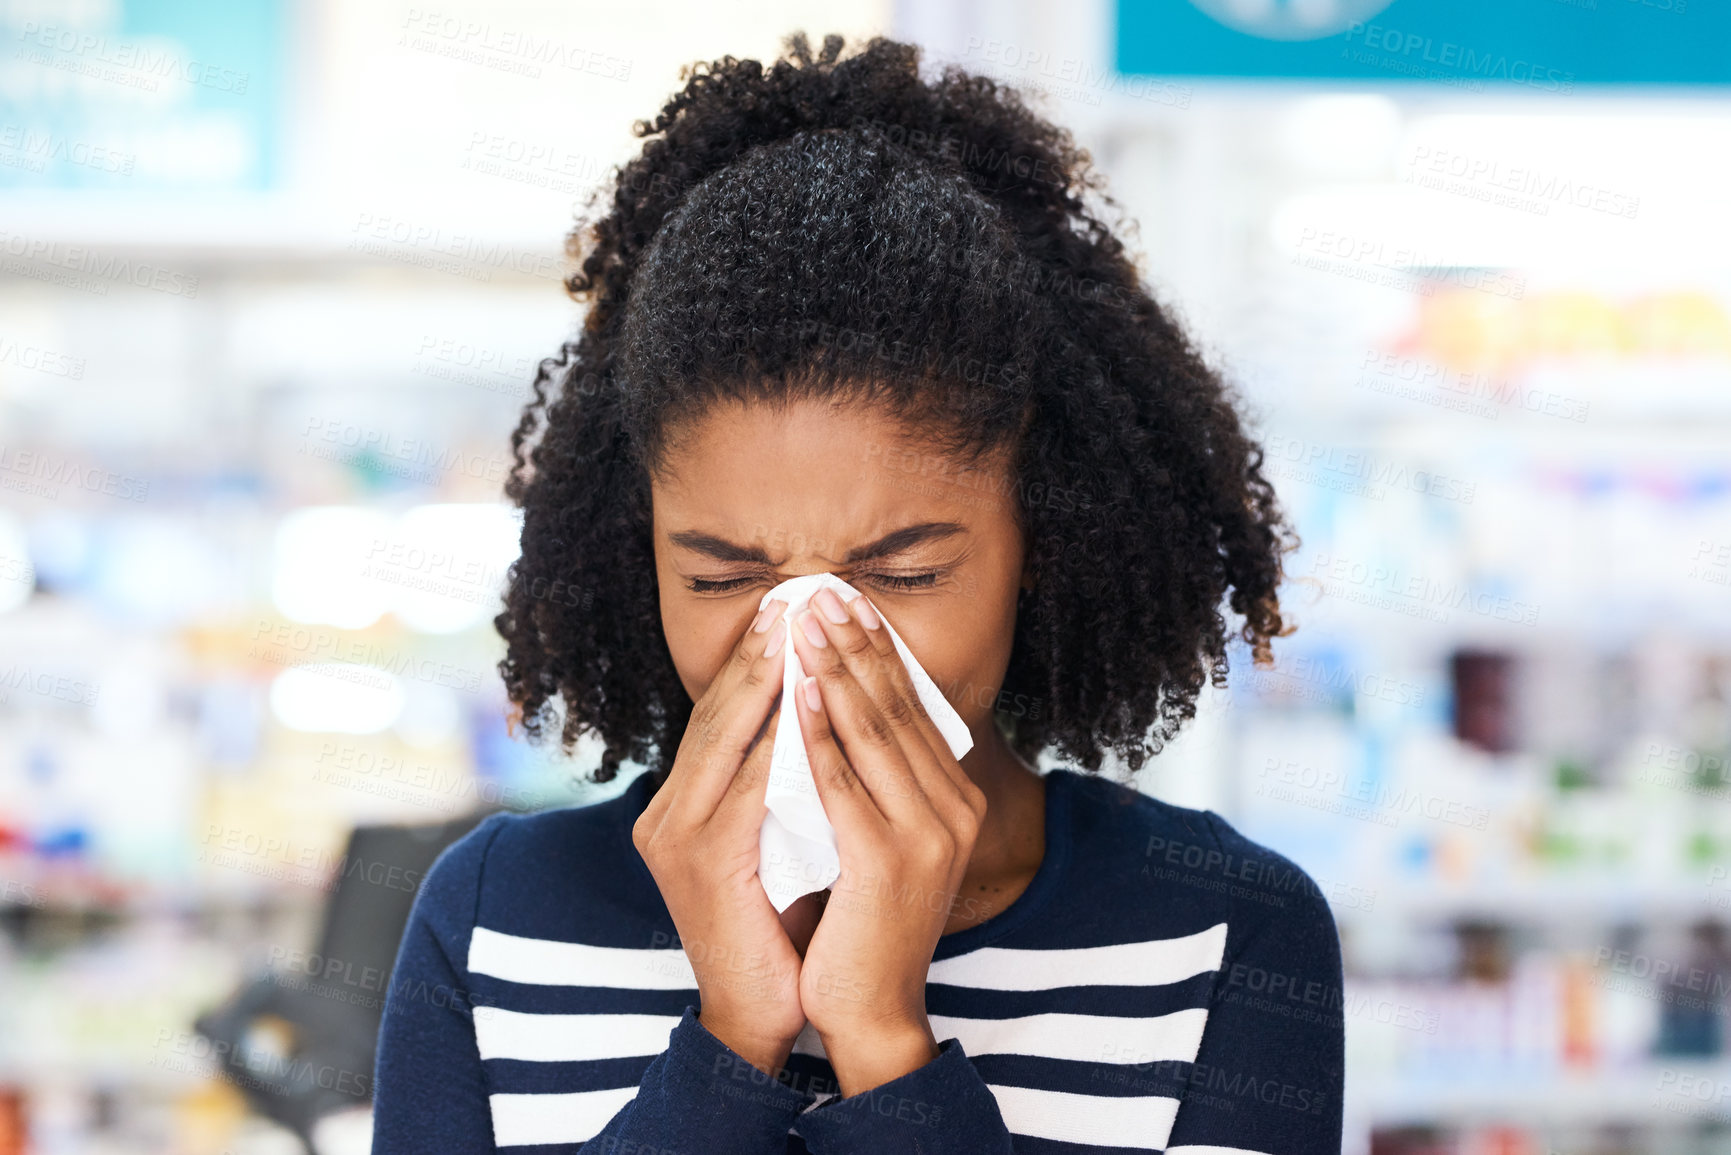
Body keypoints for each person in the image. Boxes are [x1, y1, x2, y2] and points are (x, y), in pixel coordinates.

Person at [371, 31, 1343, 1155]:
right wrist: (733, 1039)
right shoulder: (494, 919)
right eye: (724, 575)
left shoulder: (1225, 929)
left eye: (905, 573)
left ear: (1053, 543)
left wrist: (884, 1040)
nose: (811, 641)